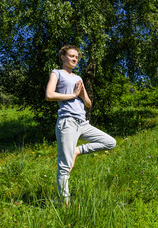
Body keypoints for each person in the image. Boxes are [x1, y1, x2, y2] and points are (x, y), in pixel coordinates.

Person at [45, 45, 116, 205]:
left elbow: (89, 104)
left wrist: (83, 95)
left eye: (76, 57)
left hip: (82, 123)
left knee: (110, 142)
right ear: (63, 57)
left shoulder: (78, 78)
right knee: (64, 166)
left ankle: (77, 151)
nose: (74, 59)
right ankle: (65, 203)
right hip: (67, 122)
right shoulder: (56, 73)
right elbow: (49, 95)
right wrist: (73, 95)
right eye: (71, 56)